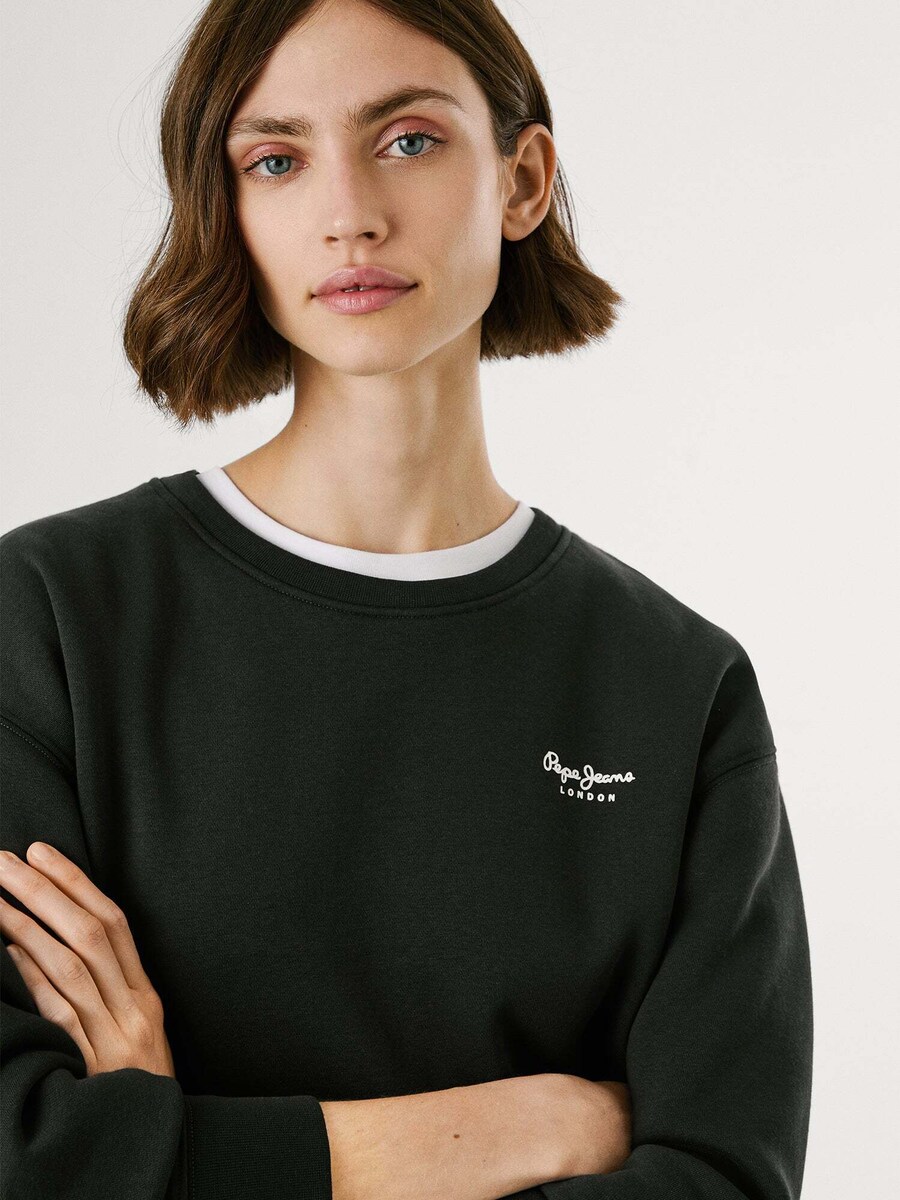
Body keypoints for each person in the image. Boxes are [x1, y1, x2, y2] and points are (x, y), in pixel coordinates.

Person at [0, 1, 813, 1198]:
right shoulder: (50, 622)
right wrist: (511, 1130)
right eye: (276, 160)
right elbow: (21, 1156)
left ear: (522, 180)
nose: (349, 214)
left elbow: (722, 1179)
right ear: (227, 209)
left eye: (409, 141)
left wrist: (159, 1152)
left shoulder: (676, 688)